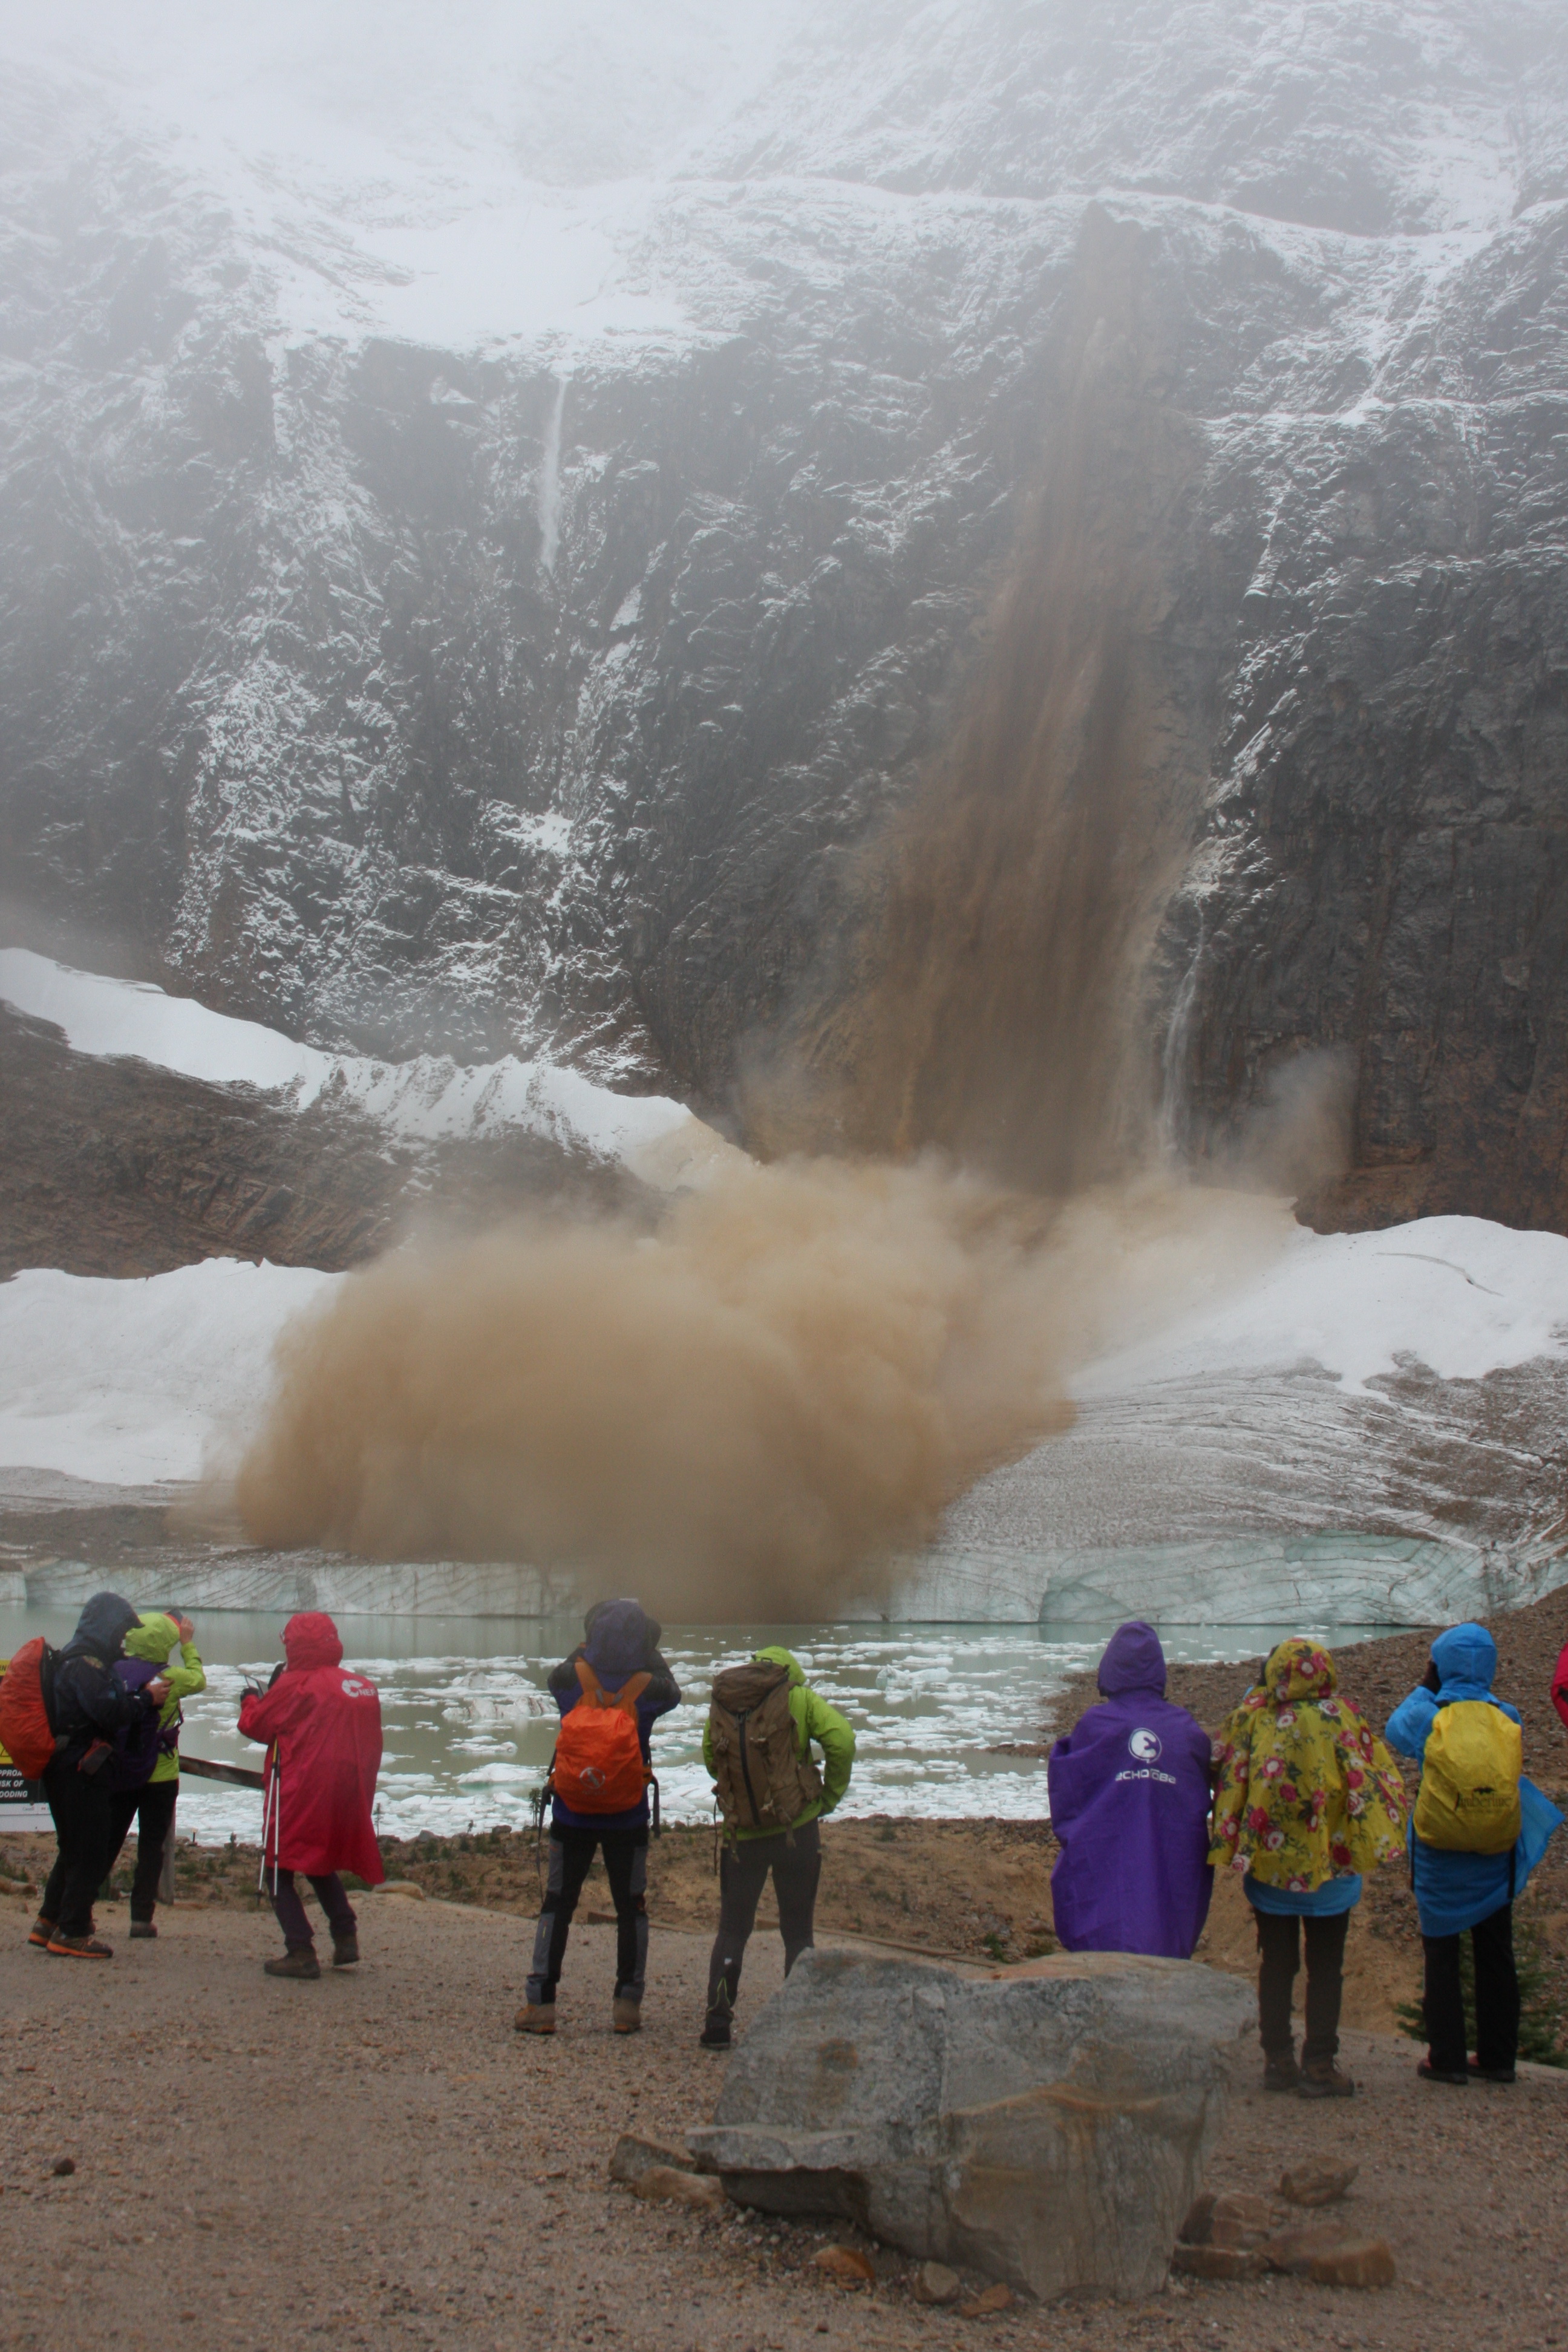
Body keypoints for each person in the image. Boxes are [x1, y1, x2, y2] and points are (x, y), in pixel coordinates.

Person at [1209, 1636, 1406, 2097]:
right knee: (1326, 1966)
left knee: (1276, 1964)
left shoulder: (1255, 1717)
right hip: (1333, 1870)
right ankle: (1320, 2063)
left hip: (1272, 1869)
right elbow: (1375, 1775)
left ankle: (1277, 2059)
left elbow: (1226, 1771)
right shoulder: (1345, 1717)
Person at [1387, 1622, 1562, 2086]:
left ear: (1439, 1664)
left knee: (1441, 1954)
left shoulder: (1430, 1716)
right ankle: (1499, 2059)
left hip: (1440, 1856)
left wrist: (1427, 1686)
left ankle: (1445, 2059)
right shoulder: (1508, 1716)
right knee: (1495, 1952)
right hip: (1493, 1855)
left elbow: (1395, 1730)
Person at [518, 1599, 680, 2037]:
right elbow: (674, 1689)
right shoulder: (649, 1688)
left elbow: (565, 1667)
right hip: (627, 1816)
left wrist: (589, 1648)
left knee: (558, 1902)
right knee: (632, 1907)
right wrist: (649, 1647)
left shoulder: (570, 1681)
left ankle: (540, 2004)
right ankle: (627, 2005)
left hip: (572, 1812)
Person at [701, 1645, 855, 2050]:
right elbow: (842, 1739)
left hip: (742, 1836)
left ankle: (718, 2021)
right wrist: (828, 1798)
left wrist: (740, 1790)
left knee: (733, 1930)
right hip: (796, 1831)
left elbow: (709, 1757)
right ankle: (799, 2026)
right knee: (798, 1932)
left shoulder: (726, 1701)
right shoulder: (798, 1697)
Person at [1047, 1619, 1213, 1959]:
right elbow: (1199, 1789)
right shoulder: (1183, 1728)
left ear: (1111, 1667)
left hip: (1108, 1855)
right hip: (1171, 1859)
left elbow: (1068, 1787)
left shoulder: (1096, 1725)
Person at [238, 1611, 384, 1980]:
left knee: (277, 1867)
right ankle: (345, 1932)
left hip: (301, 1789)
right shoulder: (361, 1686)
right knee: (317, 1859)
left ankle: (300, 1949)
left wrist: (251, 1700)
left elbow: (256, 1726)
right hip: (347, 1792)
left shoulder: (295, 1684)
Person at [33, 1592, 169, 1959]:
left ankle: (50, 1921)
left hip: (68, 1765)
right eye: (121, 1631)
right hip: (81, 1768)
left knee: (74, 1846)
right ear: (107, 1627)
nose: (123, 1640)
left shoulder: (76, 1658)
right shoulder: (86, 1664)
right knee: (91, 1849)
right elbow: (108, 1712)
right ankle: (73, 1931)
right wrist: (145, 1701)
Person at [105, 1610, 206, 1941]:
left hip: (121, 1771)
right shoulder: (172, 1676)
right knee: (151, 1846)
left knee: (108, 1839)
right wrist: (188, 1646)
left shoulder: (116, 1671)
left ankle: (77, 1908)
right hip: (161, 1775)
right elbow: (199, 1679)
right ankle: (141, 1919)